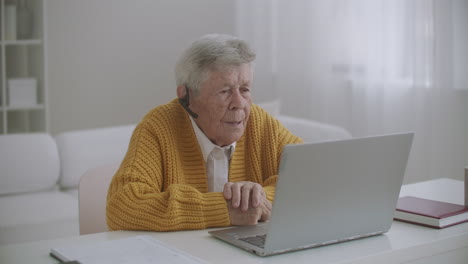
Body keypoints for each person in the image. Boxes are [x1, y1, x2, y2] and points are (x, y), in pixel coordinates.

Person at [106, 34, 303, 231]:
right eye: (224, 91)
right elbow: (122, 205)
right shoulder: (158, 127)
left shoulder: (261, 124)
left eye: (245, 89)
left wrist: (257, 199)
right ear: (186, 96)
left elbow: (312, 176)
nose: (239, 104)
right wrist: (224, 210)